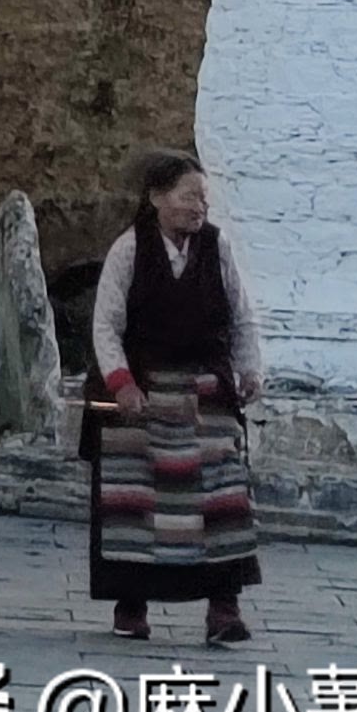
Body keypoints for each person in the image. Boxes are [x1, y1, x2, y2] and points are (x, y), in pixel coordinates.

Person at [85, 148, 265, 645]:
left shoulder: (215, 247)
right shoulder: (130, 249)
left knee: (221, 503)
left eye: (203, 198)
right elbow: (107, 323)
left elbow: (242, 313)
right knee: (135, 505)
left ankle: (223, 610)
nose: (198, 207)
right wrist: (121, 383)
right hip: (142, 395)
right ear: (157, 198)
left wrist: (249, 369)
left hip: (205, 395)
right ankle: (131, 607)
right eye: (188, 196)